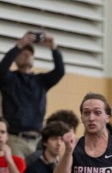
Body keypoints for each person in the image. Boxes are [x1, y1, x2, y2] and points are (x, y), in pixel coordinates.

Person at [0, 31, 65, 159]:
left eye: (30, 53)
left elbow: (60, 71)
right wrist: (19, 45)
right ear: (16, 58)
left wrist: (53, 47)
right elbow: (1, 69)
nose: (27, 55)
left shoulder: (40, 81)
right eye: (23, 53)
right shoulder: (9, 79)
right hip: (15, 138)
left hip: (38, 139)